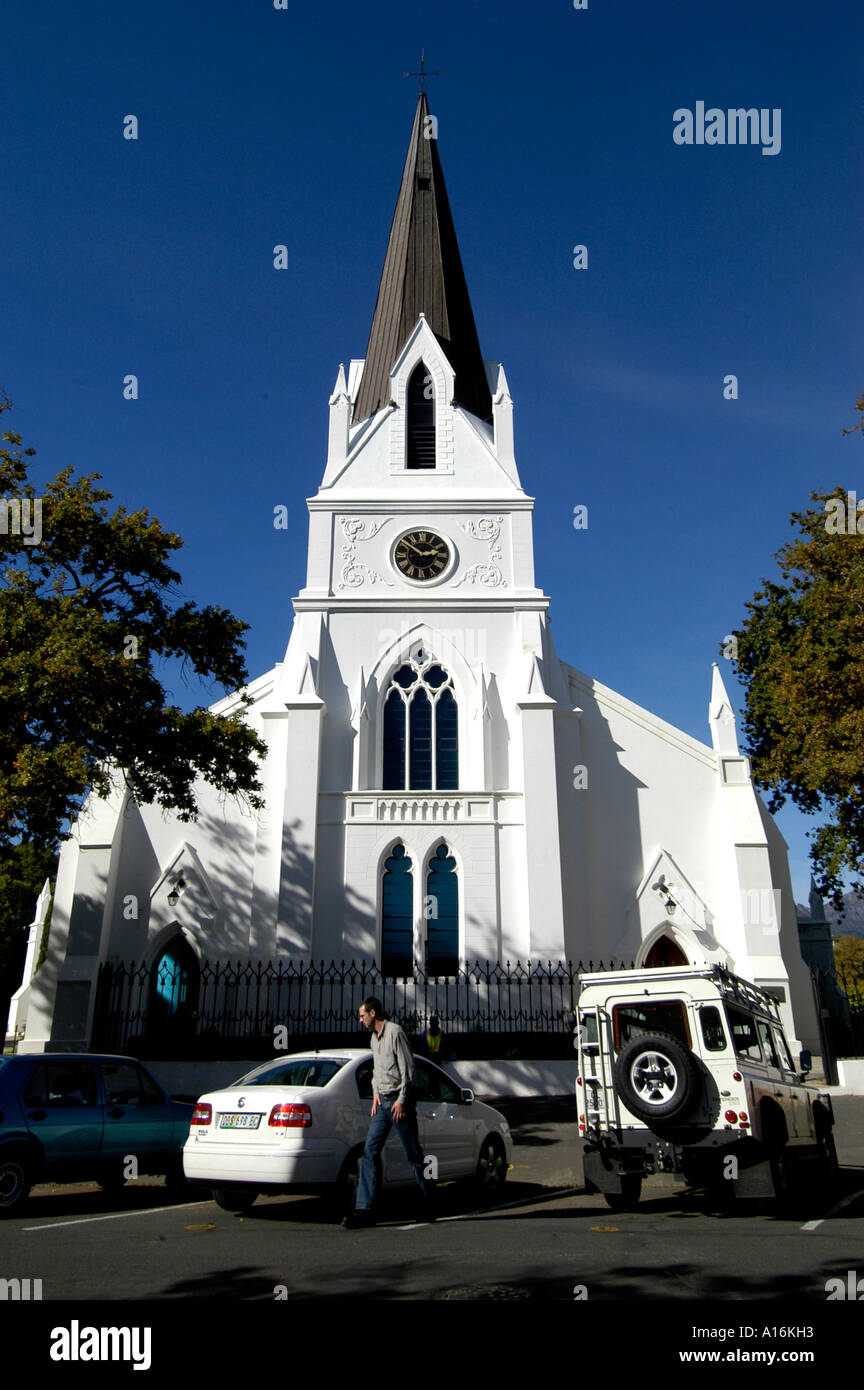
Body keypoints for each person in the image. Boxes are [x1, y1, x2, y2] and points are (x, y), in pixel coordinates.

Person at [342, 996, 436, 1228]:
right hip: (382, 1102)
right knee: (369, 1152)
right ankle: (365, 1209)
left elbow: (408, 1068)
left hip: (398, 1102)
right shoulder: (374, 1039)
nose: (360, 1019)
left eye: (362, 1015)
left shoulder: (395, 1033)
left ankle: (428, 1204)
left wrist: (402, 1100)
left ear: (373, 1013)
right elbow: (377, 1069)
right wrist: (375, 1092)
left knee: (413, 1154)